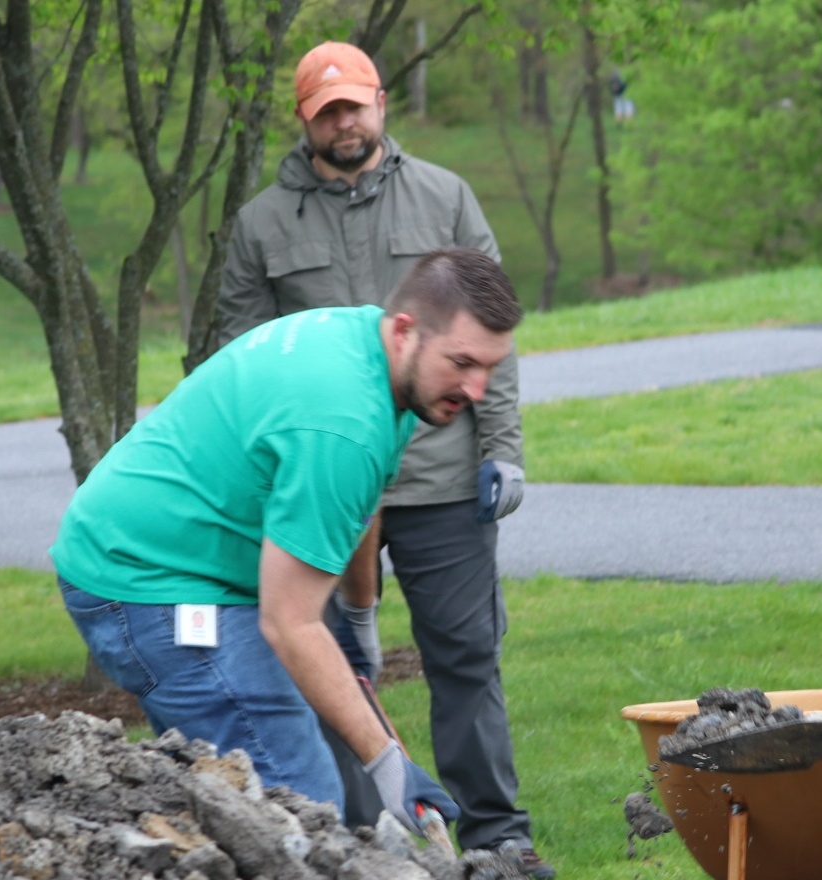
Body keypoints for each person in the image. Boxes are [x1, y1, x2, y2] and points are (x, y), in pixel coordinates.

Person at [214, 41, 550, 880]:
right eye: (328, 111)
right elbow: (238, 360)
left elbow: (491, 344)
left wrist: (503, 449)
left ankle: (497, 836)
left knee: (465, 656)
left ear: (380, 104)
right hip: (320, 490)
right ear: (305, 121)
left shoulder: (446, 198)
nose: (345, 122)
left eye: (355, 105)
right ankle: (369, 839)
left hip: (439, 482)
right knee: (327, 658)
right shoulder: (261, 225)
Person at [53, 249, 519, 833]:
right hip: (148, 583)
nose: (477, 389)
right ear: (406, 331)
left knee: (277, 785)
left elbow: (360, 501)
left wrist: (358, 616)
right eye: (463, 363)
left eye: (490, 369)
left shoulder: (373, 351)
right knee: (300, 805)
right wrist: (389, 764)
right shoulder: (342, 423)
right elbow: (290, 623)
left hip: (176, 558)